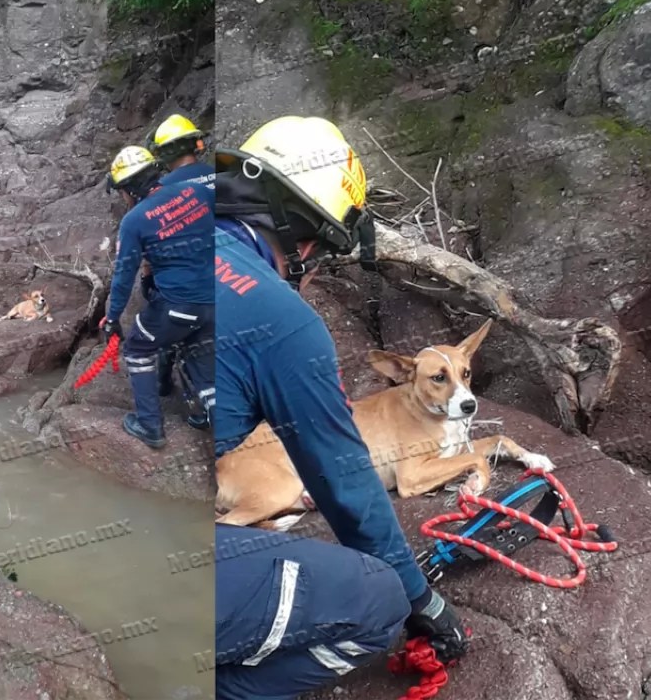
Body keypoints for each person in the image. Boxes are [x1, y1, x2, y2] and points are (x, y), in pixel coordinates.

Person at [214, 116, 468, 700]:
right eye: (320, 243)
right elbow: (346, 486)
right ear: (296, 222)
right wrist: (419, 599)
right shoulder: (282, 319)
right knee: (378, 601)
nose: (312, 259)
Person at [101, 145, 215, 449]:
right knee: (198, 348)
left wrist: (112, 318)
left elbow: (124, 277)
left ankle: (150, 425)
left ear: (129, 189)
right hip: (218, 298)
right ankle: (213, 414)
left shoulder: (134, 220)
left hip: (180, 305)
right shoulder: (197, 193)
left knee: (138, 346)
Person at [145, 113, 215, 402]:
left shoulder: (161, 190)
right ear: (194, 144)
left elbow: (153, 238)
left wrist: (148, 276)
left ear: (163, 153)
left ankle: (164, 383)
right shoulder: (218, 175)